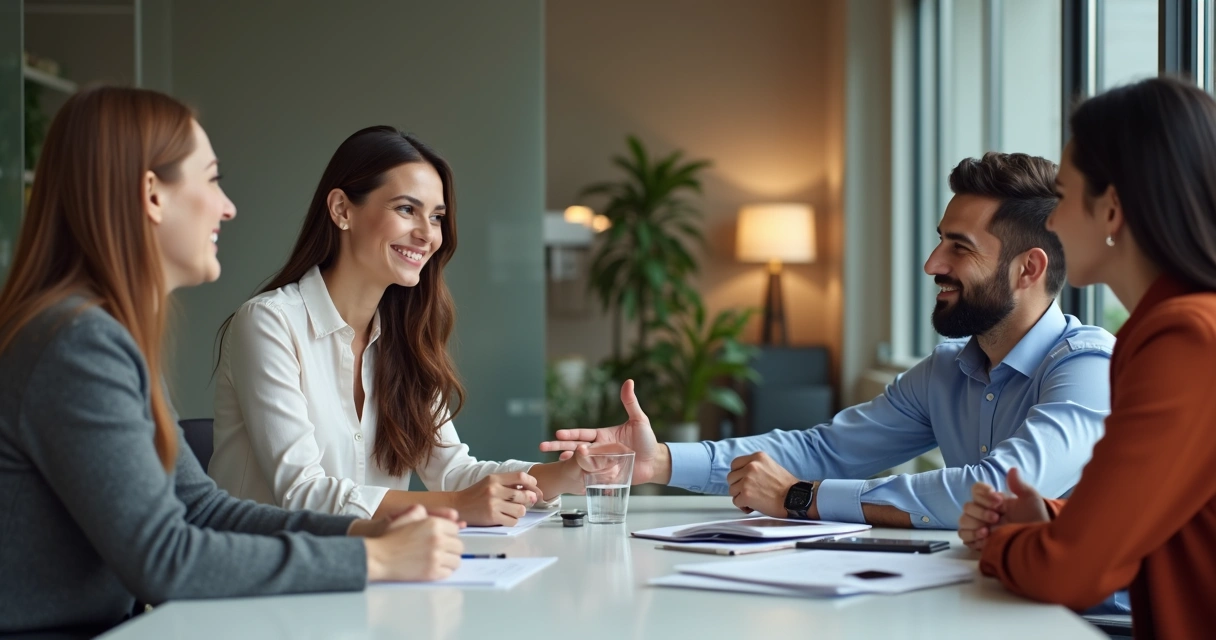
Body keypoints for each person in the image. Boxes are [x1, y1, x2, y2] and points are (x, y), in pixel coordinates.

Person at [0, 88, 465, 637]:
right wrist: (375, 561)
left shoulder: (101, 334)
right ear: (152, 195)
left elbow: (201, 510)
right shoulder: (76, 344)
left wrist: (362, 535)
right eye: (212, 179)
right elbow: (164, 559)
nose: (228, 206)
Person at [541, 152, 1115, 530]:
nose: (931, 262)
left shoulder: (1089, 367)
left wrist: (802, 498)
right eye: (940, 241)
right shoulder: (945, 374)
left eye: (959, 248)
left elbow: (998, 489)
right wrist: (661, 461)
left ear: (1027, 269)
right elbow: (824, 450)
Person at [209, 126, 596, 527]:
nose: (427, 234)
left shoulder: (405, 338)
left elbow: (452, 473)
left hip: (365, 571)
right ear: (342, 209)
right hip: (258, 573)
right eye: (406, 209)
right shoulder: (270, 322)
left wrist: (566, 474)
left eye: (437, 216)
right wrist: (458, 506)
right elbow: (301, 493)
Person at [959, 77, 1216, 638]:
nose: (1050, 221)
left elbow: (1071, 574)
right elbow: (1170, 507)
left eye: (1066, 196)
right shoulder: (1175, 328)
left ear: (1112, 209)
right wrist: (1050, 519)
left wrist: (1005, 542)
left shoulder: (1187, 339)